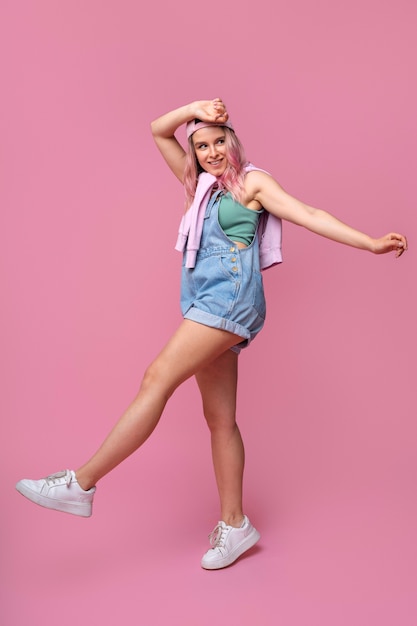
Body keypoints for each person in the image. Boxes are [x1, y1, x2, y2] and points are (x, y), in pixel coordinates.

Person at [16, 98, 408, 570]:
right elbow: (159, 130)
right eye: (202, 146)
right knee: (220, 418)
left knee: (156, 376)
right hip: (205, 301)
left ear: (233, 140)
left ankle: (80, 485)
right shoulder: (200, 185)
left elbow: (309, 212)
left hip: (229, 299)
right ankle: (236, 524)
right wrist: (194, 108)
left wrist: (369, 243)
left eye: (219, 141)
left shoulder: (252, 183)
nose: (212, 152)